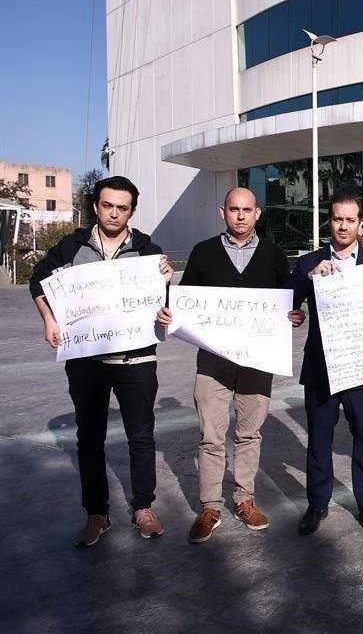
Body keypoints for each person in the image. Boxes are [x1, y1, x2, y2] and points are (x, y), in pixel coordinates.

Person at [29, 175, 173, 547]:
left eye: (122, 208)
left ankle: (143, 507)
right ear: (95, 206)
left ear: (133, 211)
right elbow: (38, 281)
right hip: (86, 362)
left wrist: (166, 285)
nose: (113, 213)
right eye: (107, 205)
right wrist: (49, 318)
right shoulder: (71, 246)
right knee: (89, 439)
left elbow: (164, 306)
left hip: (137, 362)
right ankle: (97, 514)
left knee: (141, 437)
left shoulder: (148, 252)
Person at [156, 187, 304, 543]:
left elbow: (286, 302)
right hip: (213, 362)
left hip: (258, 362)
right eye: (234, 209)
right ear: (222, 212)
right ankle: (210, 506)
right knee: (211, 436)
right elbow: (187, 300)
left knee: (250, 433)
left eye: (247, 210)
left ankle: (244, 500)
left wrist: (295, 316)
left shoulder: (273, 255)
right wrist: (169, 307)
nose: (240, 216)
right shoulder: (203, 252)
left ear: (258, 214)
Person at [290, 189, 363, 535]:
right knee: (319, 439)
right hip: (321, 368)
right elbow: (288, 300)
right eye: (338, 219)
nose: (343, 225)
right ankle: (317, 504)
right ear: (329, 221)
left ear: (360, 223)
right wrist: (309, 279)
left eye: (351, 220)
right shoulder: (309, 262)